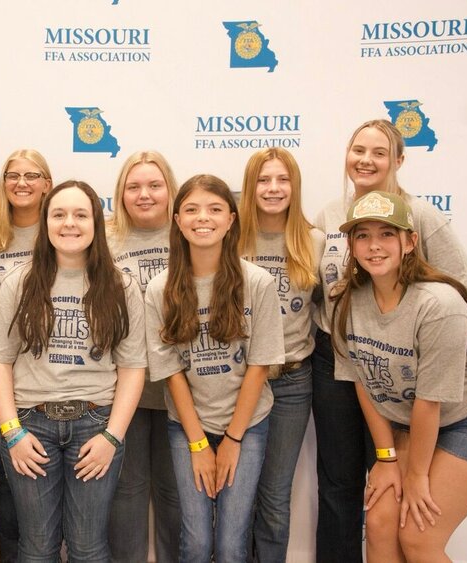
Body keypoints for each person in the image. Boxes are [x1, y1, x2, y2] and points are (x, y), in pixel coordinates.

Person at [311, 119, 467, 562]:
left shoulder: (419, 215)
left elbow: (464, 290)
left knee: (405, 508)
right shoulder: (331, 213)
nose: (366, 160)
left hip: (410, 368)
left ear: (398, 161)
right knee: (348, 488)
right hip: (344, 352)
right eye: (357, 150)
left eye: (379, 152)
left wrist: (404, 331)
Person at [330, 190, 467, 562]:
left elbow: (430, 402)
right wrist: (385, 459)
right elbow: (363, 385)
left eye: (386, 234)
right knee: (381, 525)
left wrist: (415, 478)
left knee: (417, 536)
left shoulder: (439, 305)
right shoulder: (347, 299)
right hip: (416, 423)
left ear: (410, 242)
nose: (374, 245)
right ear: (351, 245)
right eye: (362, 235)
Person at [0, 180, 146, 561]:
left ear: (95, 224)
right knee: (38, 547)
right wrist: (11, 433)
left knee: (88, 547)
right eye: (59, 214)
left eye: (80, 214)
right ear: (45, 222)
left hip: (96, 427)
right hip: (30, 427)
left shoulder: (121, 286)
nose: (69, 223)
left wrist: (113, 437)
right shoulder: (18, 283)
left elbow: (133, 368)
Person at [145, 174, 284, 563]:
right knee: (197, 540)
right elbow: (172, 372)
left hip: (247, 425)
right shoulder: (160, 289)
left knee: (230, 542)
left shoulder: (257, 282)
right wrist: (199, 443)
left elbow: (259, 366)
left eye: (214, 209)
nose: (202, 218)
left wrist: (234, 439)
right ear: (177, 220)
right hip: (187, 427)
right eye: (191, 209)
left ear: (231, 220)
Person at [238, 148, 325, 562]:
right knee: (236, 493)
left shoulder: (314, 241)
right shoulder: (230, 237)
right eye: (264, 180)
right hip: (237, 381)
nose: (273, 189)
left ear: (295, 186)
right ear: (250, 187)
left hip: (291, 380)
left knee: (274, 496)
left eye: (282, 180)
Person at [106, 151, 181, 563]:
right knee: (127, 491)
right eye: (134, 187)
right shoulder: (104, 238)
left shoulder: (188, 233)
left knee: (174, 493)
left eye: (154, 185)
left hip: (181, 387)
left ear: (170, 189)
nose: (144, 195)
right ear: (120, 193)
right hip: (122, 389)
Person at [0, 149, 52, 562]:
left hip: (54, 373)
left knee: (52, 474)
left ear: (47, 183)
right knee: (9, 476)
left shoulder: (62, 227)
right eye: (13, 175)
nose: (21, 183)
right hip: (3, 373)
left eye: (31, 175)